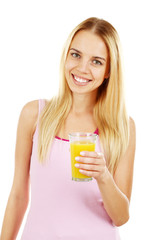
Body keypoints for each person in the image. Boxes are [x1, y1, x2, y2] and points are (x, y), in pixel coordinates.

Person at [0, 17, 136, 240]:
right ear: (65, 56)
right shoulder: (34, 115)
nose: (82, 68)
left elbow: (121, 217)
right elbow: (17, 196)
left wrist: (103, 176)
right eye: (76, 55)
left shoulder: (123, 127)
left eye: (97, 61)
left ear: (109, 71)